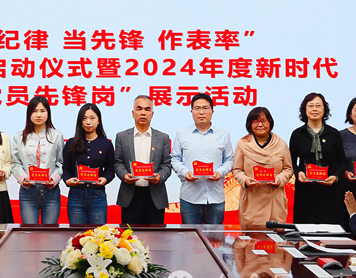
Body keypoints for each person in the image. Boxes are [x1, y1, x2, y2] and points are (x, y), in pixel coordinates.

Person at [171, 93, 234, 225]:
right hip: (190, 197)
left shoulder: (223, 134)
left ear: (212, 111)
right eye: (197, 108)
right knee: (190, 236)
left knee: (214, 236)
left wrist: (220, 172)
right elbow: (175, 159)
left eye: (205, 108)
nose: (201, 112)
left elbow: (229, 160)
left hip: (215, 197)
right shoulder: (182, 134)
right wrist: (185, 172)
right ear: (191, 111)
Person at [288, 92, 346, 224]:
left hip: (330, 190)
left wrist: (335, 176)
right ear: (305, 110)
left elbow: (342, 162)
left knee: (331, 229)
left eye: (318, 106)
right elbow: (290, 161)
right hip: (306, 190)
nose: (315, 109)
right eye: (311, 106)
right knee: (306, 228)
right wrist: (299, 173)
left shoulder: (334, 133)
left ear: (324, 110)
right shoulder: (297, 134)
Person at [114, 95, 172, 225]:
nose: (143, 113)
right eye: (139, 109)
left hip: (155, 196)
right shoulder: (122, 136)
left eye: (147, 109)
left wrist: (160, 176)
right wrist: (124, 175)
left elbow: (167, 164)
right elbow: (118, 162)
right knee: (129, 236)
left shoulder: (162, 137)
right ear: (133, 113)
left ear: (152, 114)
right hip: (130, 196)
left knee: (156, 236)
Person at [231, 106, 294, 228]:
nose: (260, 125)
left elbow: (288, 169)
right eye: (256, 121)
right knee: (253, 237)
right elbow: (237, 170)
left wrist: (279, 179)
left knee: (275, 237)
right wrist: (245, 180)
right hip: (252, 201)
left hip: (275, 201)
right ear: (250, 124)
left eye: (264, 121)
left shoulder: (281, 144)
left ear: (270, 123)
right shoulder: (242, 144)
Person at [11, 96, 63, 224]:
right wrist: (23, 178)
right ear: (29, 114)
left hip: (51, 192)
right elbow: (15, 163)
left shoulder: (57, 136)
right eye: (34, 111)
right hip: (28, 193)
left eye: (42, 111)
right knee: (30, 232)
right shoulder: (18, 137)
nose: (38, 115)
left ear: (48, 113)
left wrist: (54, 179)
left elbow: (61, 162)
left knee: (50, 233)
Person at [62, 103, 115, 225]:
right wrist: (68, 180)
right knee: (77, 234)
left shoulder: (106, 144)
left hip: (98, 196)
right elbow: (66, 168)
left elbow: (110, 170)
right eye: (84, 118)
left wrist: (105, 179)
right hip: (76, 196)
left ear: (99, 121)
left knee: (98, 234)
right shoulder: (71, 143)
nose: (88, 122)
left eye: (92, 118)